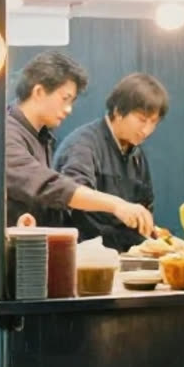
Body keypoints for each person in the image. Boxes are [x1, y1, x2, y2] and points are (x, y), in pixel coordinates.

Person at [0, 51, 154, 236]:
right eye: (65, 99)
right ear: (38, 91)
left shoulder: (41, 137)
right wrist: (116, 204)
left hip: (28, 254)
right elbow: (47, 186)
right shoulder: (0, 134)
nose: (69, 109)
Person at [54, 72, 167, 250]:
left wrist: (150, 230)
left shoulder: (136, 153)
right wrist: (117, 206)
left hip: (124, 256)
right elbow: (72, 194)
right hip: (83, 256)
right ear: (118, 111)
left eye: (154, 122)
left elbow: (144, 205)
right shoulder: (83, 145)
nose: (146, 130)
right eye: (142, 120)